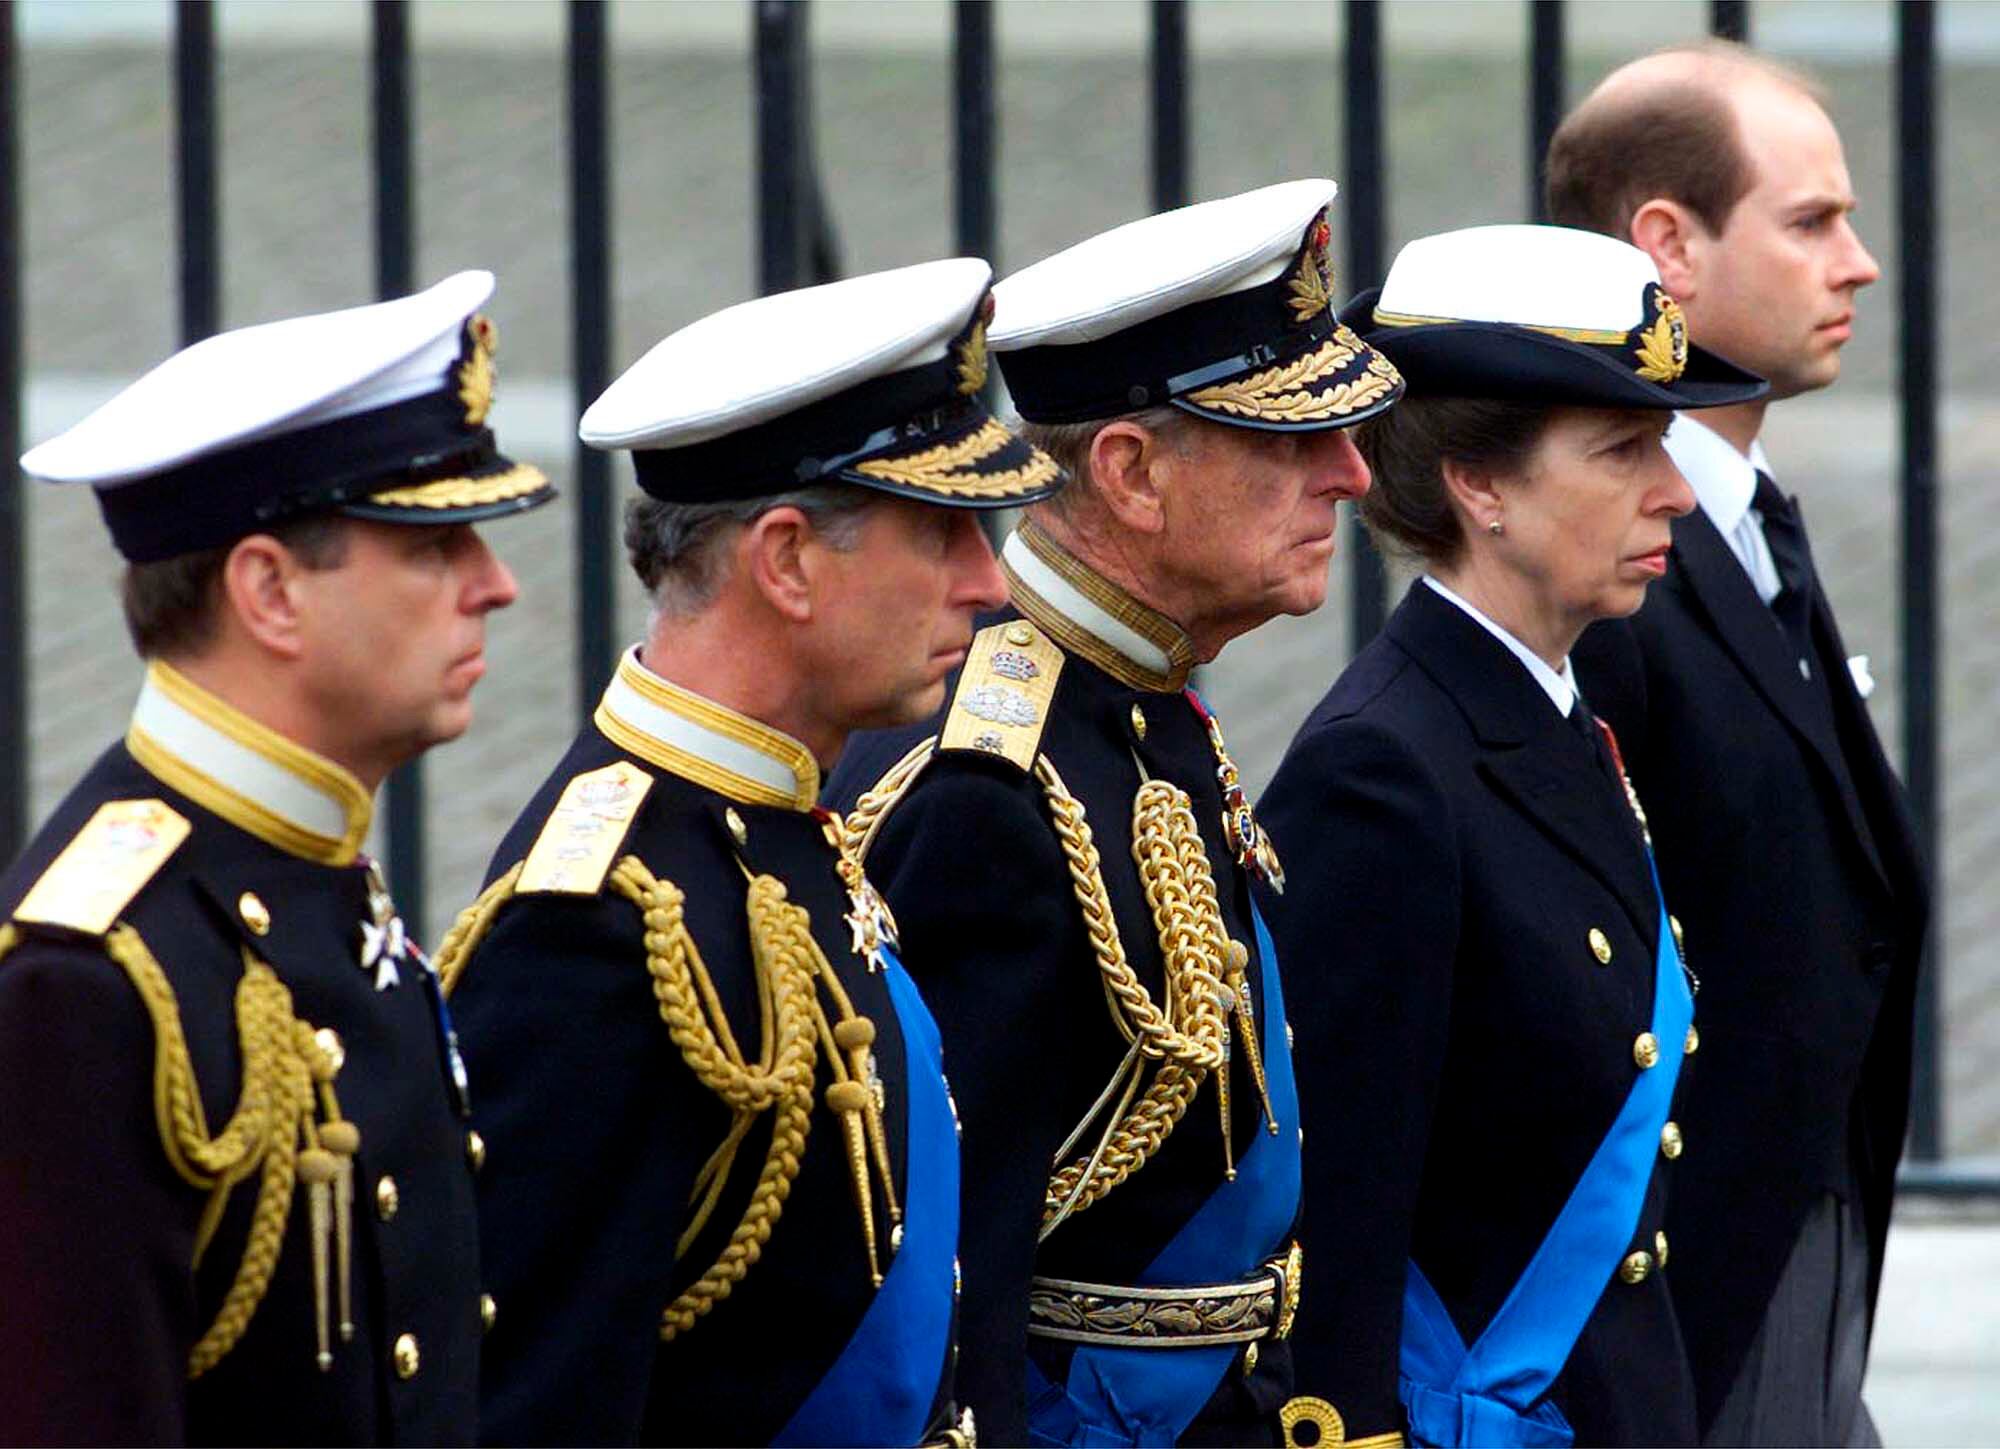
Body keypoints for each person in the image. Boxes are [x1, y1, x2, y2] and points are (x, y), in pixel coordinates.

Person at [432, 257, 1062, 1446]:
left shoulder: (779, 813)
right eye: (942, 532)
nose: (989, 582)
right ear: (783, 561)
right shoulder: (597, 923)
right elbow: (545, 1404)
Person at [828, 179, 1403, 1447]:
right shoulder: (984, 784)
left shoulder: (1138, 692)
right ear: (1130, 473)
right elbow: (944, 1274)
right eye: (1291, 441)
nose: (1352, 475)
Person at [0, 271, 553, 1445]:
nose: (494, 587)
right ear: (269, 592)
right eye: (434, 543)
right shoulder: (92, 980)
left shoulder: (307, 867)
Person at [1258, 224, 1767, 1447]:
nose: (1676, 491)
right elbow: (1341, 1203)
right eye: (1620, 449)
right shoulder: (1380, 770)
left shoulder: (1552, 709)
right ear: (1477, 487)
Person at [1546, 42, 1928, 1446]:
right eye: (1812, 222)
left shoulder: (1752, 518)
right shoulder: (1614, 580)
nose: (1862, 264)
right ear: (1668, 246)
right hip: (1689, 1282)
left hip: (1800, 1250)